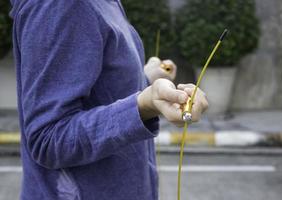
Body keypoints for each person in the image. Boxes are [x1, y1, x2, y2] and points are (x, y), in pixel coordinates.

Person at [9, 0, 208, 199]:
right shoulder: (61, 5)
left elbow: (96, 88)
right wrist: (142, 105)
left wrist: (143, 79)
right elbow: (48, 139)